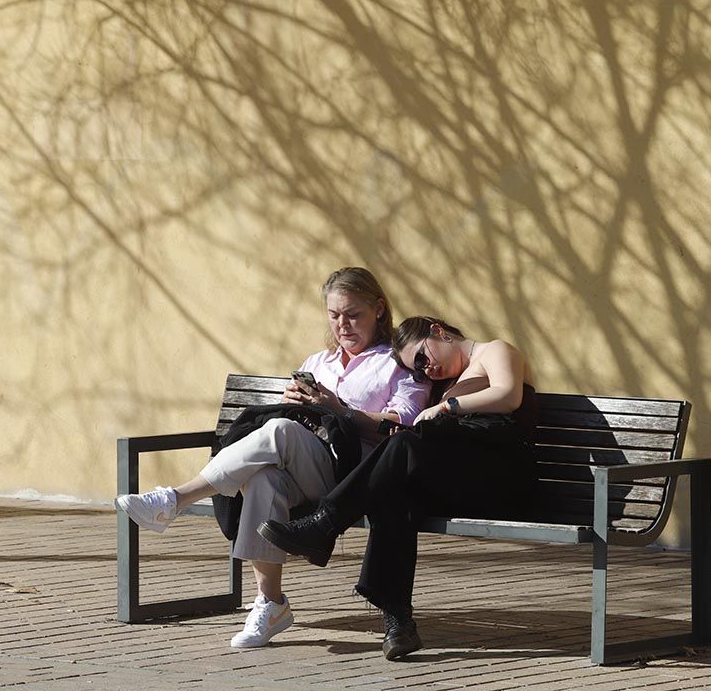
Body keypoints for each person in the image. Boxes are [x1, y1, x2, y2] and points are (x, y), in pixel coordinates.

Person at [114, 268, 429, 648]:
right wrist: (291, 404)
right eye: (334, 315)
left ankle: (175, 499)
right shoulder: (317, 361)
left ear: (378, 309)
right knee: (262, 477)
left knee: (279, 433)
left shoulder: (399, 362)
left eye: (353, 314)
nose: (342, 325)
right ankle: (271, 603)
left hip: (356, 478)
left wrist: (338, 408)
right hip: (306, 462)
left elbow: (405, 425)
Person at [257, 316, 537, 660]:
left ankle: (325, 523)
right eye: (416, 372)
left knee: (403, 447)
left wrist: (445, 407)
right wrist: (333, 407)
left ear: (439, 331)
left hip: (502, 476)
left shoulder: (496, 350)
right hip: (462, 477)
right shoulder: (450, 382)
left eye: (421, 358)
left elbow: (508, 395)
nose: (424, 372)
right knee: (393, 493)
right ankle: (398, 623)